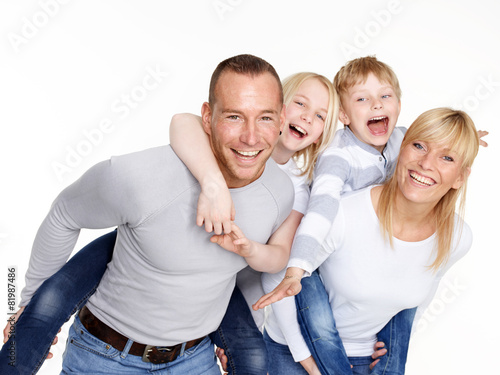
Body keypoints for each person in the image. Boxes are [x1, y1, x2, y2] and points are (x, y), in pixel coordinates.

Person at [0, 54, 294, 374]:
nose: (251, 137)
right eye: (235, 116)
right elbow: (64, 215)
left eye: (265, 118)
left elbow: (246, 272)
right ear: (207, 117)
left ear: (280, 120)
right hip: (104, 357)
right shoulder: (141, 178)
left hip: (194, 360)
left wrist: (238, 337)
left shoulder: (280, 192)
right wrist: (30, 306)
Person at [258, 107, 480, 374]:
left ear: (460, 177)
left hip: (367, 358)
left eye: (446, 157)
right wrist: (307, 359)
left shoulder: (457, 238)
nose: (427, 163)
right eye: (419, 146)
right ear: (401, 149)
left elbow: (424, 293)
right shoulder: (343, 215)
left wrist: (396, 345)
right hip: (296, 353)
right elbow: (278, 277)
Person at [168, 71, 339, 374]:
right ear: (278, 106)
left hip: (229, 281)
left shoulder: (298, 187)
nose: (307, 118)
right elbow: (183, 120)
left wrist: (250, 249)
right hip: (174, 251)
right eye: (300, 103)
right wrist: (213, 183)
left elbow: (278, 256)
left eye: (320, 116)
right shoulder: (239, 142)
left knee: (251, 356)